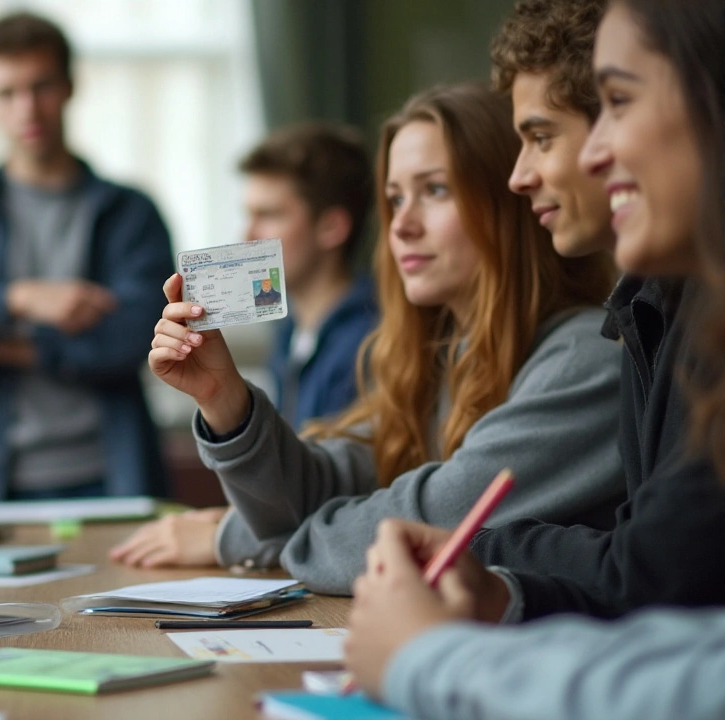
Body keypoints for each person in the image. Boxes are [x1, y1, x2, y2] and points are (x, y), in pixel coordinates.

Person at [345, 4, 725, 717]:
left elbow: (659, 582)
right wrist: (502, 586)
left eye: (616, 104)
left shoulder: (595, 341)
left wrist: (440, 653)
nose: (595, 151)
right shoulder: (653, 309)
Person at [149, 82, 623, 594]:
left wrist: (263, 541)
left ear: (511, 199)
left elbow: (435, 517)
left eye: (435, 190)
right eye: (395, 199)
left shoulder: (588, 358)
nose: (402, 226)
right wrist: (223, 398)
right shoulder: (446, 356)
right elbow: (320, 486)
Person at [0, 11, 174, 502]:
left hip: (114, 476)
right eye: (7, 93)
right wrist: (22, 299)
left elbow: (138, 337)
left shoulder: (130, 212)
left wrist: (9, 345)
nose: (27, 109)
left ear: (70, 86)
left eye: (41, 86)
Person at [111, 122, 377, 569]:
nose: (247, 233)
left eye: (269, 215)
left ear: (332, 226)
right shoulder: (289, 331)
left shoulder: (377, 341)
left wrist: (227, 533)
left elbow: (343, 499)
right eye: (247, 212)